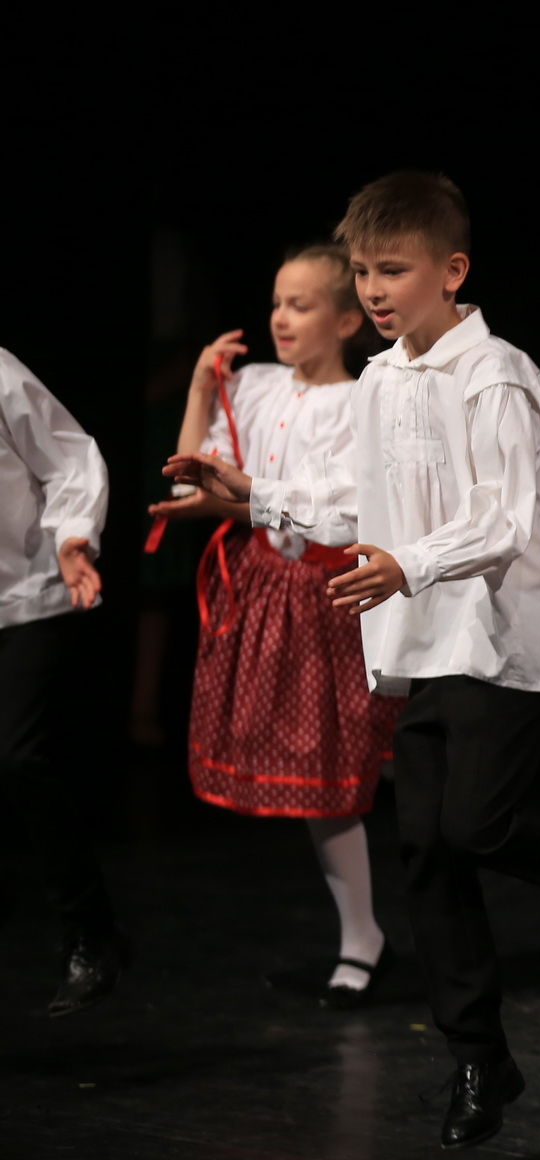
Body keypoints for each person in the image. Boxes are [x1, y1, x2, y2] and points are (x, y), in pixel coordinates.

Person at [167, 173, 540, 1152]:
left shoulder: (497, 375)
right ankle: (479, 1056)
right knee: (428, 851)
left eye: (392, 270)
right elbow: (358, 499)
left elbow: (502, 519)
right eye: (362, 272)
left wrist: (408, 562)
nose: (374, 290)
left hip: (498, 633)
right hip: (414, 637)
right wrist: (252, 494)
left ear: (452, 270)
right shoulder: (383, 379)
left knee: (475, 824)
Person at [147, 246, 403, 1007]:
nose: (281, 319)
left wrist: (236, 500)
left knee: (346, 775)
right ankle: (362, 935)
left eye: (302, 305)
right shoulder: (257, 385)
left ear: (347, 321)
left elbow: (344, 507)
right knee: (319, 783)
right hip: (268, 592)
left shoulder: (361, 401)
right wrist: (202, 386)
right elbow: (197, 474)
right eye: (276, 303)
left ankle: (376, 934)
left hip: (335, 596)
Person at [0, 349, 118, 1016]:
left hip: (26, 595)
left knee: (17, 755)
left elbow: (69, 458)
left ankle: (90, 930)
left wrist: (74, 537)